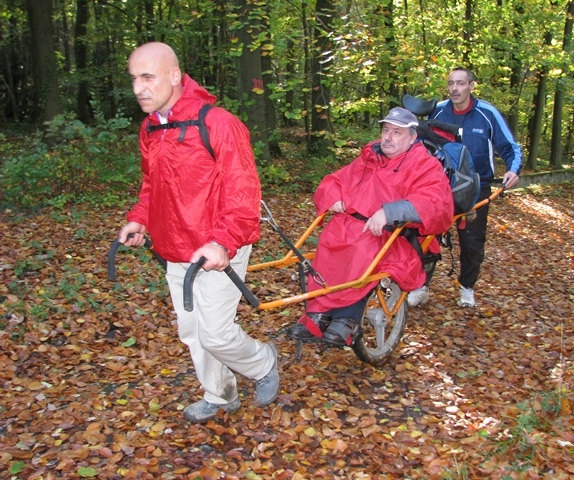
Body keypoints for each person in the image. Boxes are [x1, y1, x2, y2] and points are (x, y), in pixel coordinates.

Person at [118, 42, 279, 424]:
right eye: (134, 79)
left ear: (174, 76)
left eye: (147, 77)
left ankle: (263, 362)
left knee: (217, 335)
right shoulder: (151, 128)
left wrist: (224, 241)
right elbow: (151, 184)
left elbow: (243, 192)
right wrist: (140, 218)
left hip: (219, 248)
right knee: (192, 331)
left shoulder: (218, 123)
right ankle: (220, 394)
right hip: (176, 248)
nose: (139, 87)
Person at [287, 107, 454, 347]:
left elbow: (437, 203)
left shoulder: (424, 164)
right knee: (329, 242)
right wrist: (333, 196)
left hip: (394, 235)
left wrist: (391, 211)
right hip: (351, 225)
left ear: (412, 137)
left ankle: (347, 317)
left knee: (361, 249)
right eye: (386, 130)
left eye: (397, 132)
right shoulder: (369, 158)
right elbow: (335, 179)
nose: (388, 137)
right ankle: (318, 312)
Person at [429, 67, 522, 308]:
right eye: (451, 83)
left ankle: (467, 287)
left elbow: (510, 147)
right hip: (439, 187)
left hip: (476, 188)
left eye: (460, 83)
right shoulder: (437, 111)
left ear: (472, 85)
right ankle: (419, 284)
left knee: (471, 240)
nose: (454, 89)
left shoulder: (486, 113)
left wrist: (513, 169)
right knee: (424, 235)